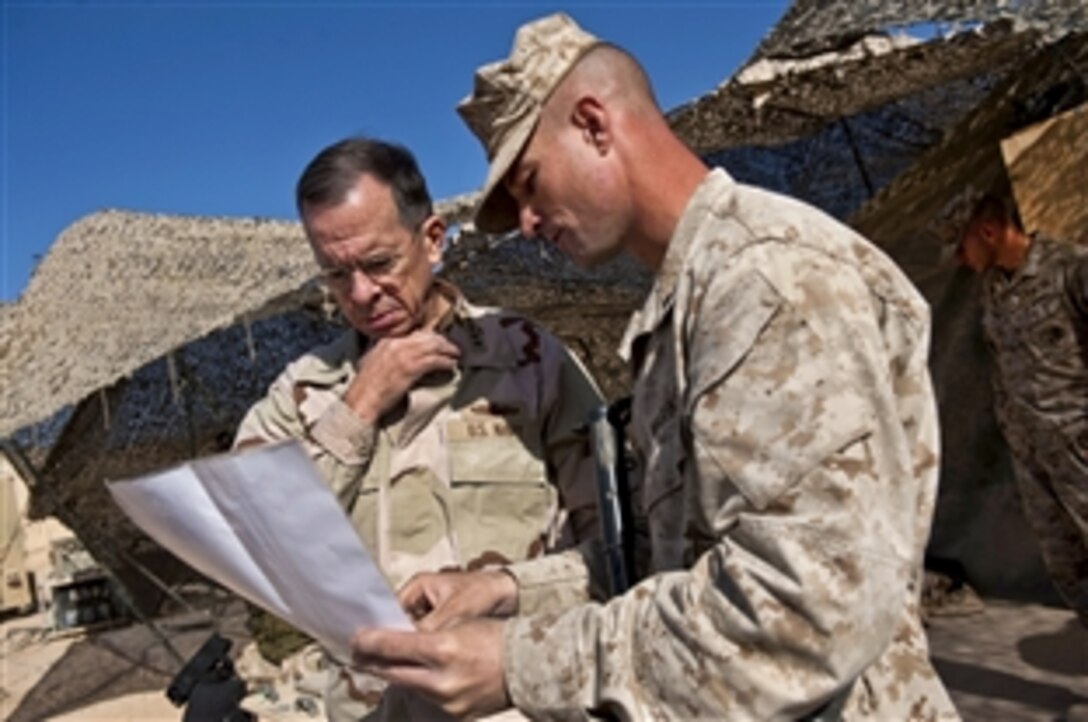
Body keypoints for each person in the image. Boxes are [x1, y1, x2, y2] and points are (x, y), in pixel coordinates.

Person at [350, 13, 960, 721]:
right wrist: (508, 591)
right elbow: (675, 568)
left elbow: (801, 614)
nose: (527, 221)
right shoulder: (688, 303)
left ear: (594, 124)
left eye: (528, 182)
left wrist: (521, 663)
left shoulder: (765, 282)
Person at [234, 136, 604, 720]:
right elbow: (256, 548)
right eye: (335, 274)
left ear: (433, 240)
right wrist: (357, 407)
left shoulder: (533, 363)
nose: (360, 294)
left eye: (379, 264)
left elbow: (618, 547)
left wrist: (509, 587)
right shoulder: (299, 396)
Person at [957, 192, 1088, 627]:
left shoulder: (1071, 269)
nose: (959, 259)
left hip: (1079, 447)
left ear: (989, 231)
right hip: (1034, 456)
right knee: (1067, 564)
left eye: (961, 245)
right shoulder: (994, 289)